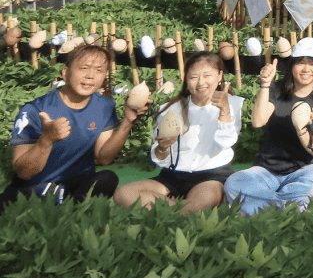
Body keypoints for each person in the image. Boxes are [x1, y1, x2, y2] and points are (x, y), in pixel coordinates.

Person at [0, 45, 150, 211]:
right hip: (35, 186)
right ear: (65, 72)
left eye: (99, 70)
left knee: (107, 178)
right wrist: (46, 140)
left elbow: (104, 158)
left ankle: (61, 204)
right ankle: (60, 204)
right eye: (84, 68)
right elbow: (24, 173)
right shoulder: (35, 110)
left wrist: (128, 121)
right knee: (15, 201)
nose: (90, 76)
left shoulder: (105, 106)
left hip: (77, 183)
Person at [114, 53, 244, 213]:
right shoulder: (169, 109)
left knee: (203, 200)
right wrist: (162, 148)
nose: (201, 82)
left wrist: (224, 110)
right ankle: (180, 211)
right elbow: (158, 156)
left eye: (207, 75)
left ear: (220, 76)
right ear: (186, 80)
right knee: (123, 194)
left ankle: (169, 210)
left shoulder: (232, 104)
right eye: (193, 77)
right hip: (172, 177)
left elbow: (225, 142)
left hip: (212, 177)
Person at [223, 38, 313, 215]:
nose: (306, 69)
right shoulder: (276, 90)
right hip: (265, 171)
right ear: (291, 66)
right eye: (300, 63)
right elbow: (258, 121)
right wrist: (265, 83)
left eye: (312, 64)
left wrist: (301, 129)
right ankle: (286, 207)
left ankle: (258, 207)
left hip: (303, 172)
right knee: (234, 183)